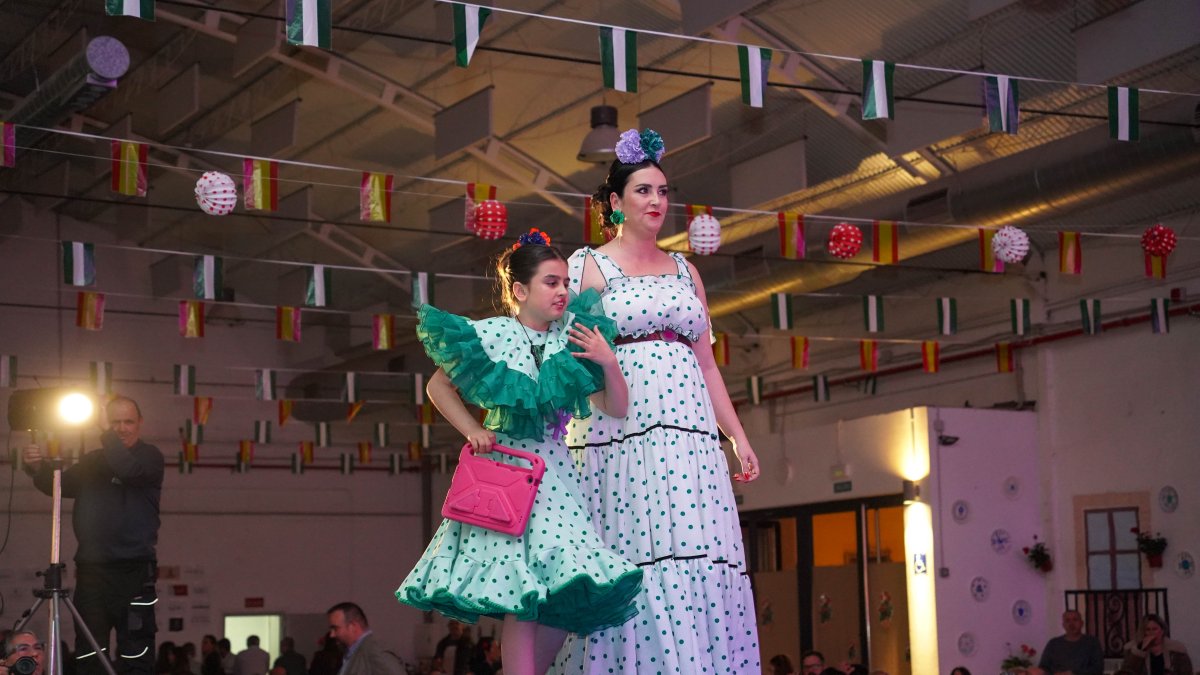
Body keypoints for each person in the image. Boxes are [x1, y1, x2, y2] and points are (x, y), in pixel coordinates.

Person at [553, 128, 760, 672]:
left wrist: (737, 437)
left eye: (663, 191)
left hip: (689, 434)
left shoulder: (687, 270)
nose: (656, 201)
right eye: (643, 190)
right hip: (619, 432)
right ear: (615, 202)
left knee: (696, 548)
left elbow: (707, 364)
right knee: (634, 550)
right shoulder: (588, 265)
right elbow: (564, 357)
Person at [395, 232, 644, 675]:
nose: (563, 291)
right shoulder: (491, 333)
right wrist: (473, 429)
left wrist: (608, 361)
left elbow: (618, 407)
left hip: (557, 473)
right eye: (551, 282)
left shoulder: (575, 336)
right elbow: (438, 387)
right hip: (507, 473)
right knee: (523, 596)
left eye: (565, 282)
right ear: (520, 290)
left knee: (567, 586)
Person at [23, 396, 163, 675]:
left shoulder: (150, 457)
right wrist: (37, 467)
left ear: (140, 424)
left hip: (134, 570)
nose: (120, 428)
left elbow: (128, 470)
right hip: (92, 571)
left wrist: (104, 431)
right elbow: (59, 485)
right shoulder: (92, 461)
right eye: (114, 422)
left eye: (128, 422)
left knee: (136, 652)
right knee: (89, 652)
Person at [326, 602, 403, 675]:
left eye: (335, 628)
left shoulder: (375, 652)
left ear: (352, 626)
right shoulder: (353, 653)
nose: (332, 635)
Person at [1116, 614, 1192, 675]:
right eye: (1148, 630)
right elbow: (1127, 671)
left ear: (1162, 631)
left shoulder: (1177, 649)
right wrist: (1140, 651)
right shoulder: (1132, 649)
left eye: (1154, 629)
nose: (1151, 633)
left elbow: (1186, 672)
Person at [1033, 609, 1104, 675]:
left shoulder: (1092, 643)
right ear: (1063, 625)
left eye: (1075, 620)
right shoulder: (1053, 644)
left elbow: (1098, 669)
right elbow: (1043, 667)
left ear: (1081, 623)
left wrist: (1073, 673)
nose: (1071, 624)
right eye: (1067, 621)